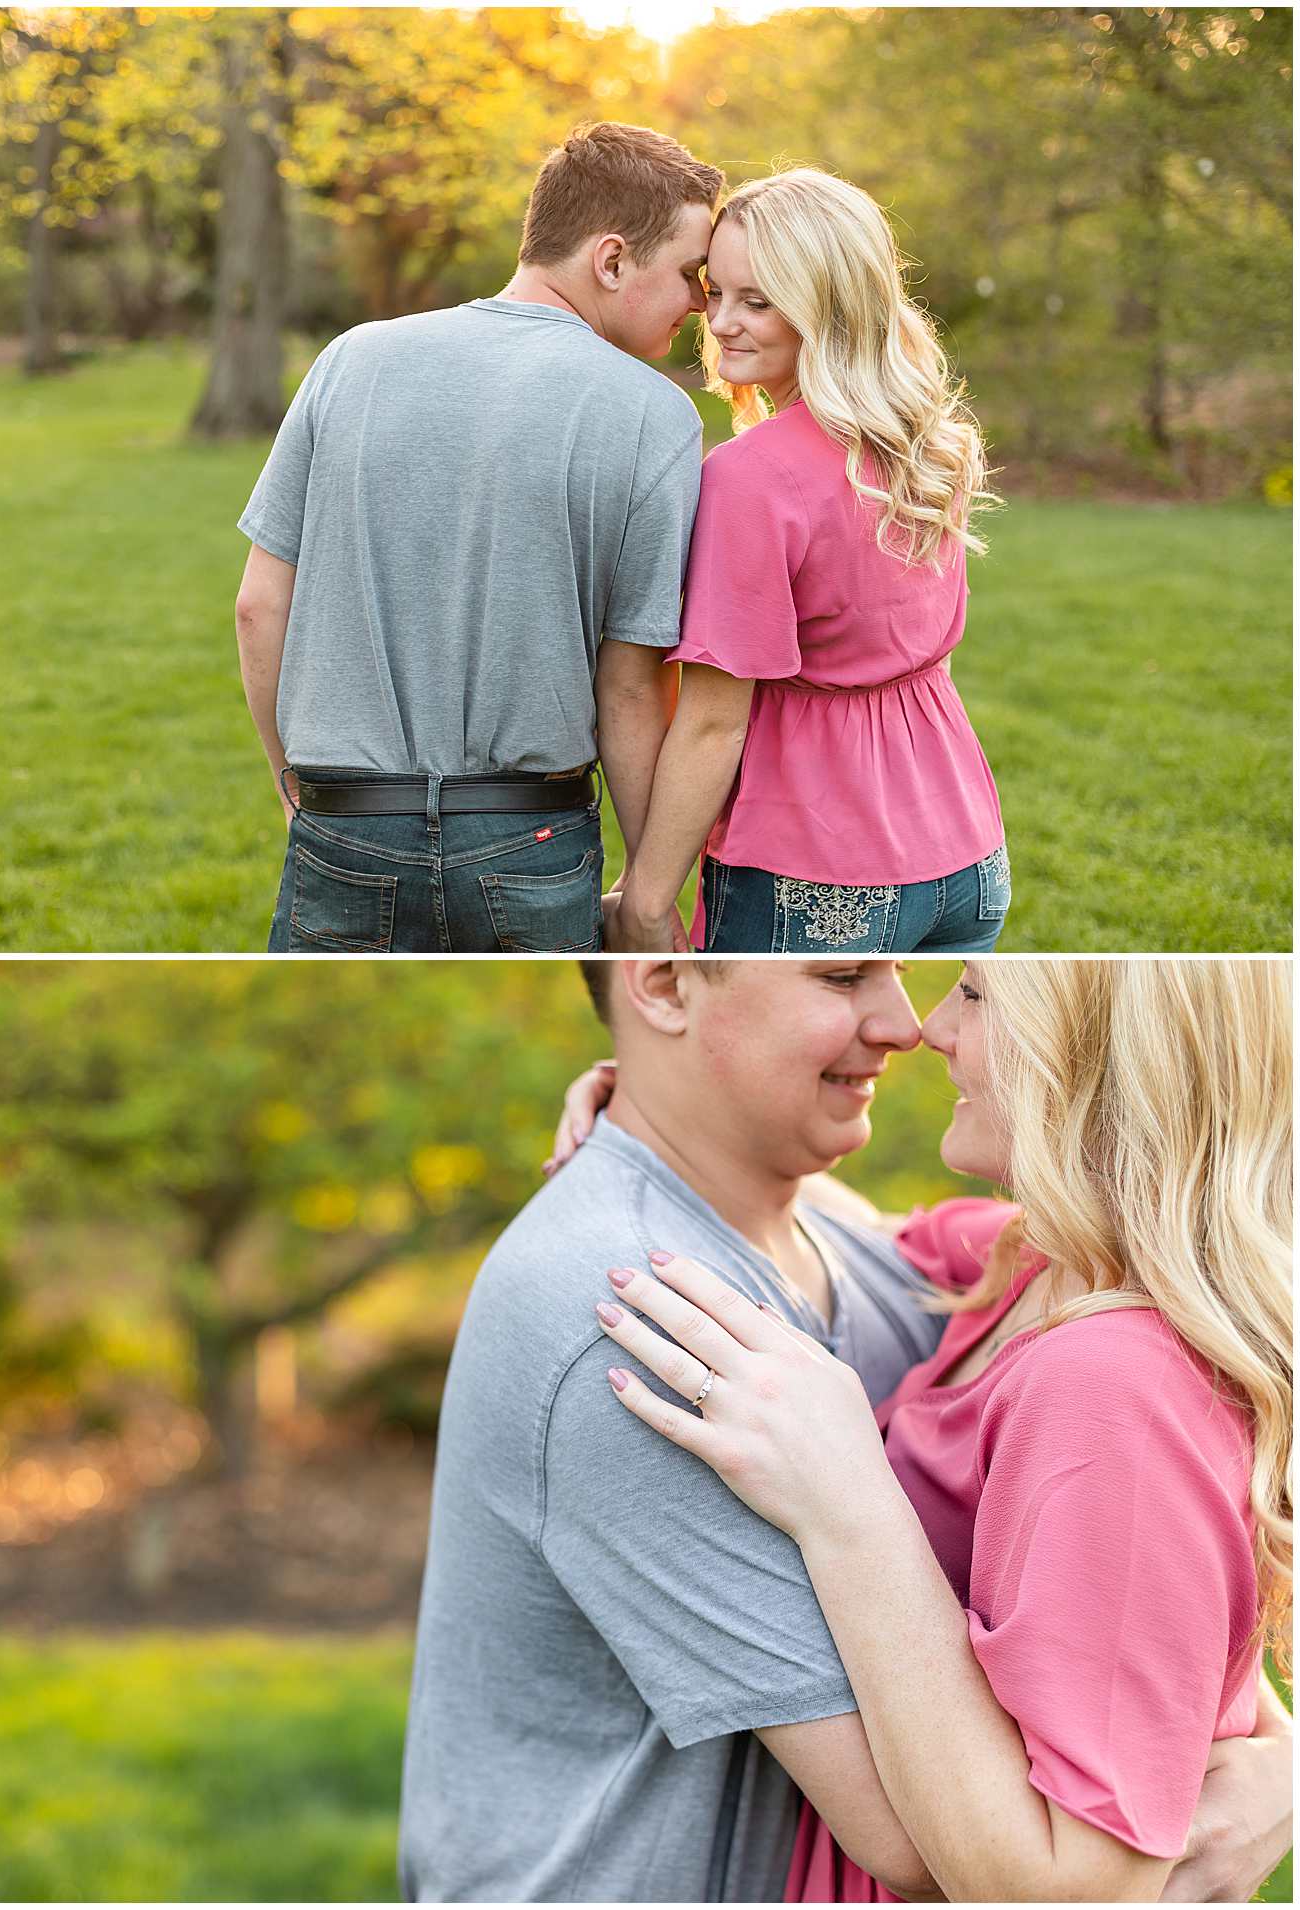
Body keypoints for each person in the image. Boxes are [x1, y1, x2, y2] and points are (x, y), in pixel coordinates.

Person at [399, 959, 1292, 1901]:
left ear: (1104, 1052)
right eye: (841, 974)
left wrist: (1280, 1767)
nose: (917, 1026)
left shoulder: (1091, 1354)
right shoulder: (996, 1274)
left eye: (963, 989)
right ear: (660, 983)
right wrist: (658, 1115)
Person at [235, 122, 719, 953]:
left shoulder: (351, 359)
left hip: (346, 822)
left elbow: (256, 607)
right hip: (528, 842)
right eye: (689, 275)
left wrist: (297, 793)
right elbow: (631, 688)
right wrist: (648, 890)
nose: (703, 303)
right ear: (611, 261)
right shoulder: (655, 415)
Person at [609, 171, 1008, 956]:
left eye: (757, 301)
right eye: (713, 290)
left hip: (816, 875)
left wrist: (648, 901)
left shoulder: (750, 477)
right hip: (969, 859)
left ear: (829, 306)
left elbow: (714, 722)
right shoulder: (928, 445)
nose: (720, 322)